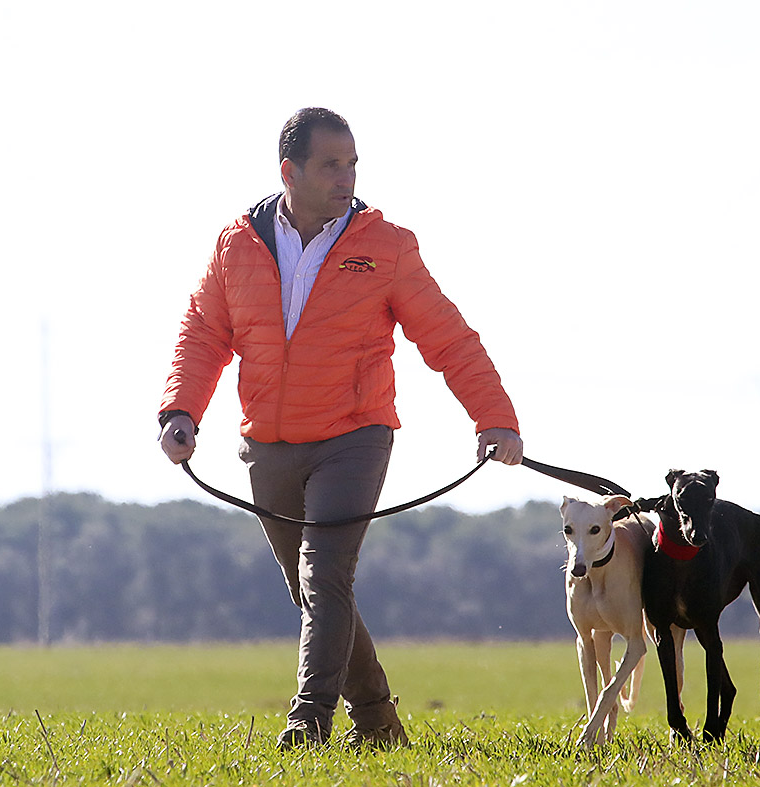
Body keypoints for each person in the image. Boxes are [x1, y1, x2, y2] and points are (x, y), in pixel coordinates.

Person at [158, 107, 523, 750]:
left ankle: (309, 722)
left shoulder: (387, 246)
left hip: (354, 436)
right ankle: (380, 725)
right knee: (315, 594)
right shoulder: (236, 245)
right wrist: (180, 412)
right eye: (331, 164)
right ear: (289, 171)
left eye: (352, 164)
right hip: (268, 444)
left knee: (325, 578)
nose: (346, 176)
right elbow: (204, 333)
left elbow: (449, 339)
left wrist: (494, 419)